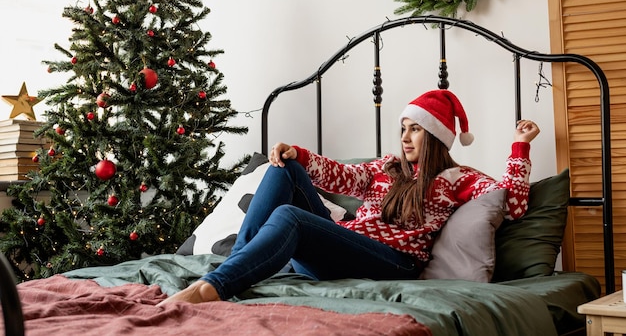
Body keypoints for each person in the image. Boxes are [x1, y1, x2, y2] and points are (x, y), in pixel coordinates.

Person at [158, 89, 540, 305]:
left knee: (291, 216)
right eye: (403, 128)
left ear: (437, 135)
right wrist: (298, 154)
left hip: (393, 262)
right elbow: (343, 176)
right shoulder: (388, 166)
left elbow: (514, 204)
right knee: (285, 170)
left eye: (416, 130)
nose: (405, 137)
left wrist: (519, 148)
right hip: (347, 248)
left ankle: (214, 287)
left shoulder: (458, 178)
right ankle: (232, 271)